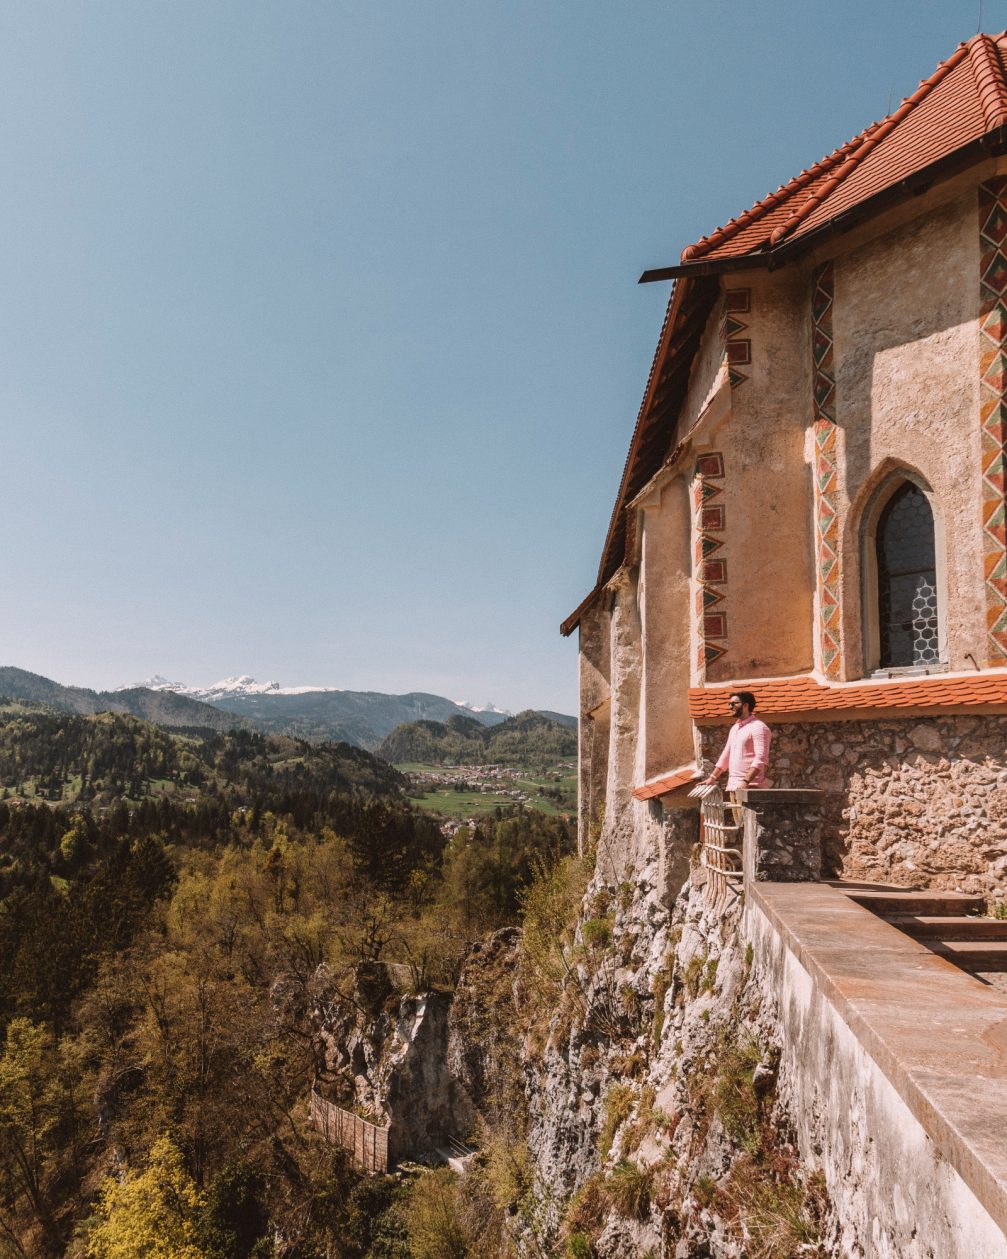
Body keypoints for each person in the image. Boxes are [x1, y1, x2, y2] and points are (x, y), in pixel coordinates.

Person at [701, 690, 772, 791]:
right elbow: (726, 755)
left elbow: (761, 758)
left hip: (751, 789)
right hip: (733, 787)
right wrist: (712, 778)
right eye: (729, 704)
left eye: (734, 703)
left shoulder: (759, 727)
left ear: (745, 705)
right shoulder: (735, 728)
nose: (730, 707)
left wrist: (745, 781)